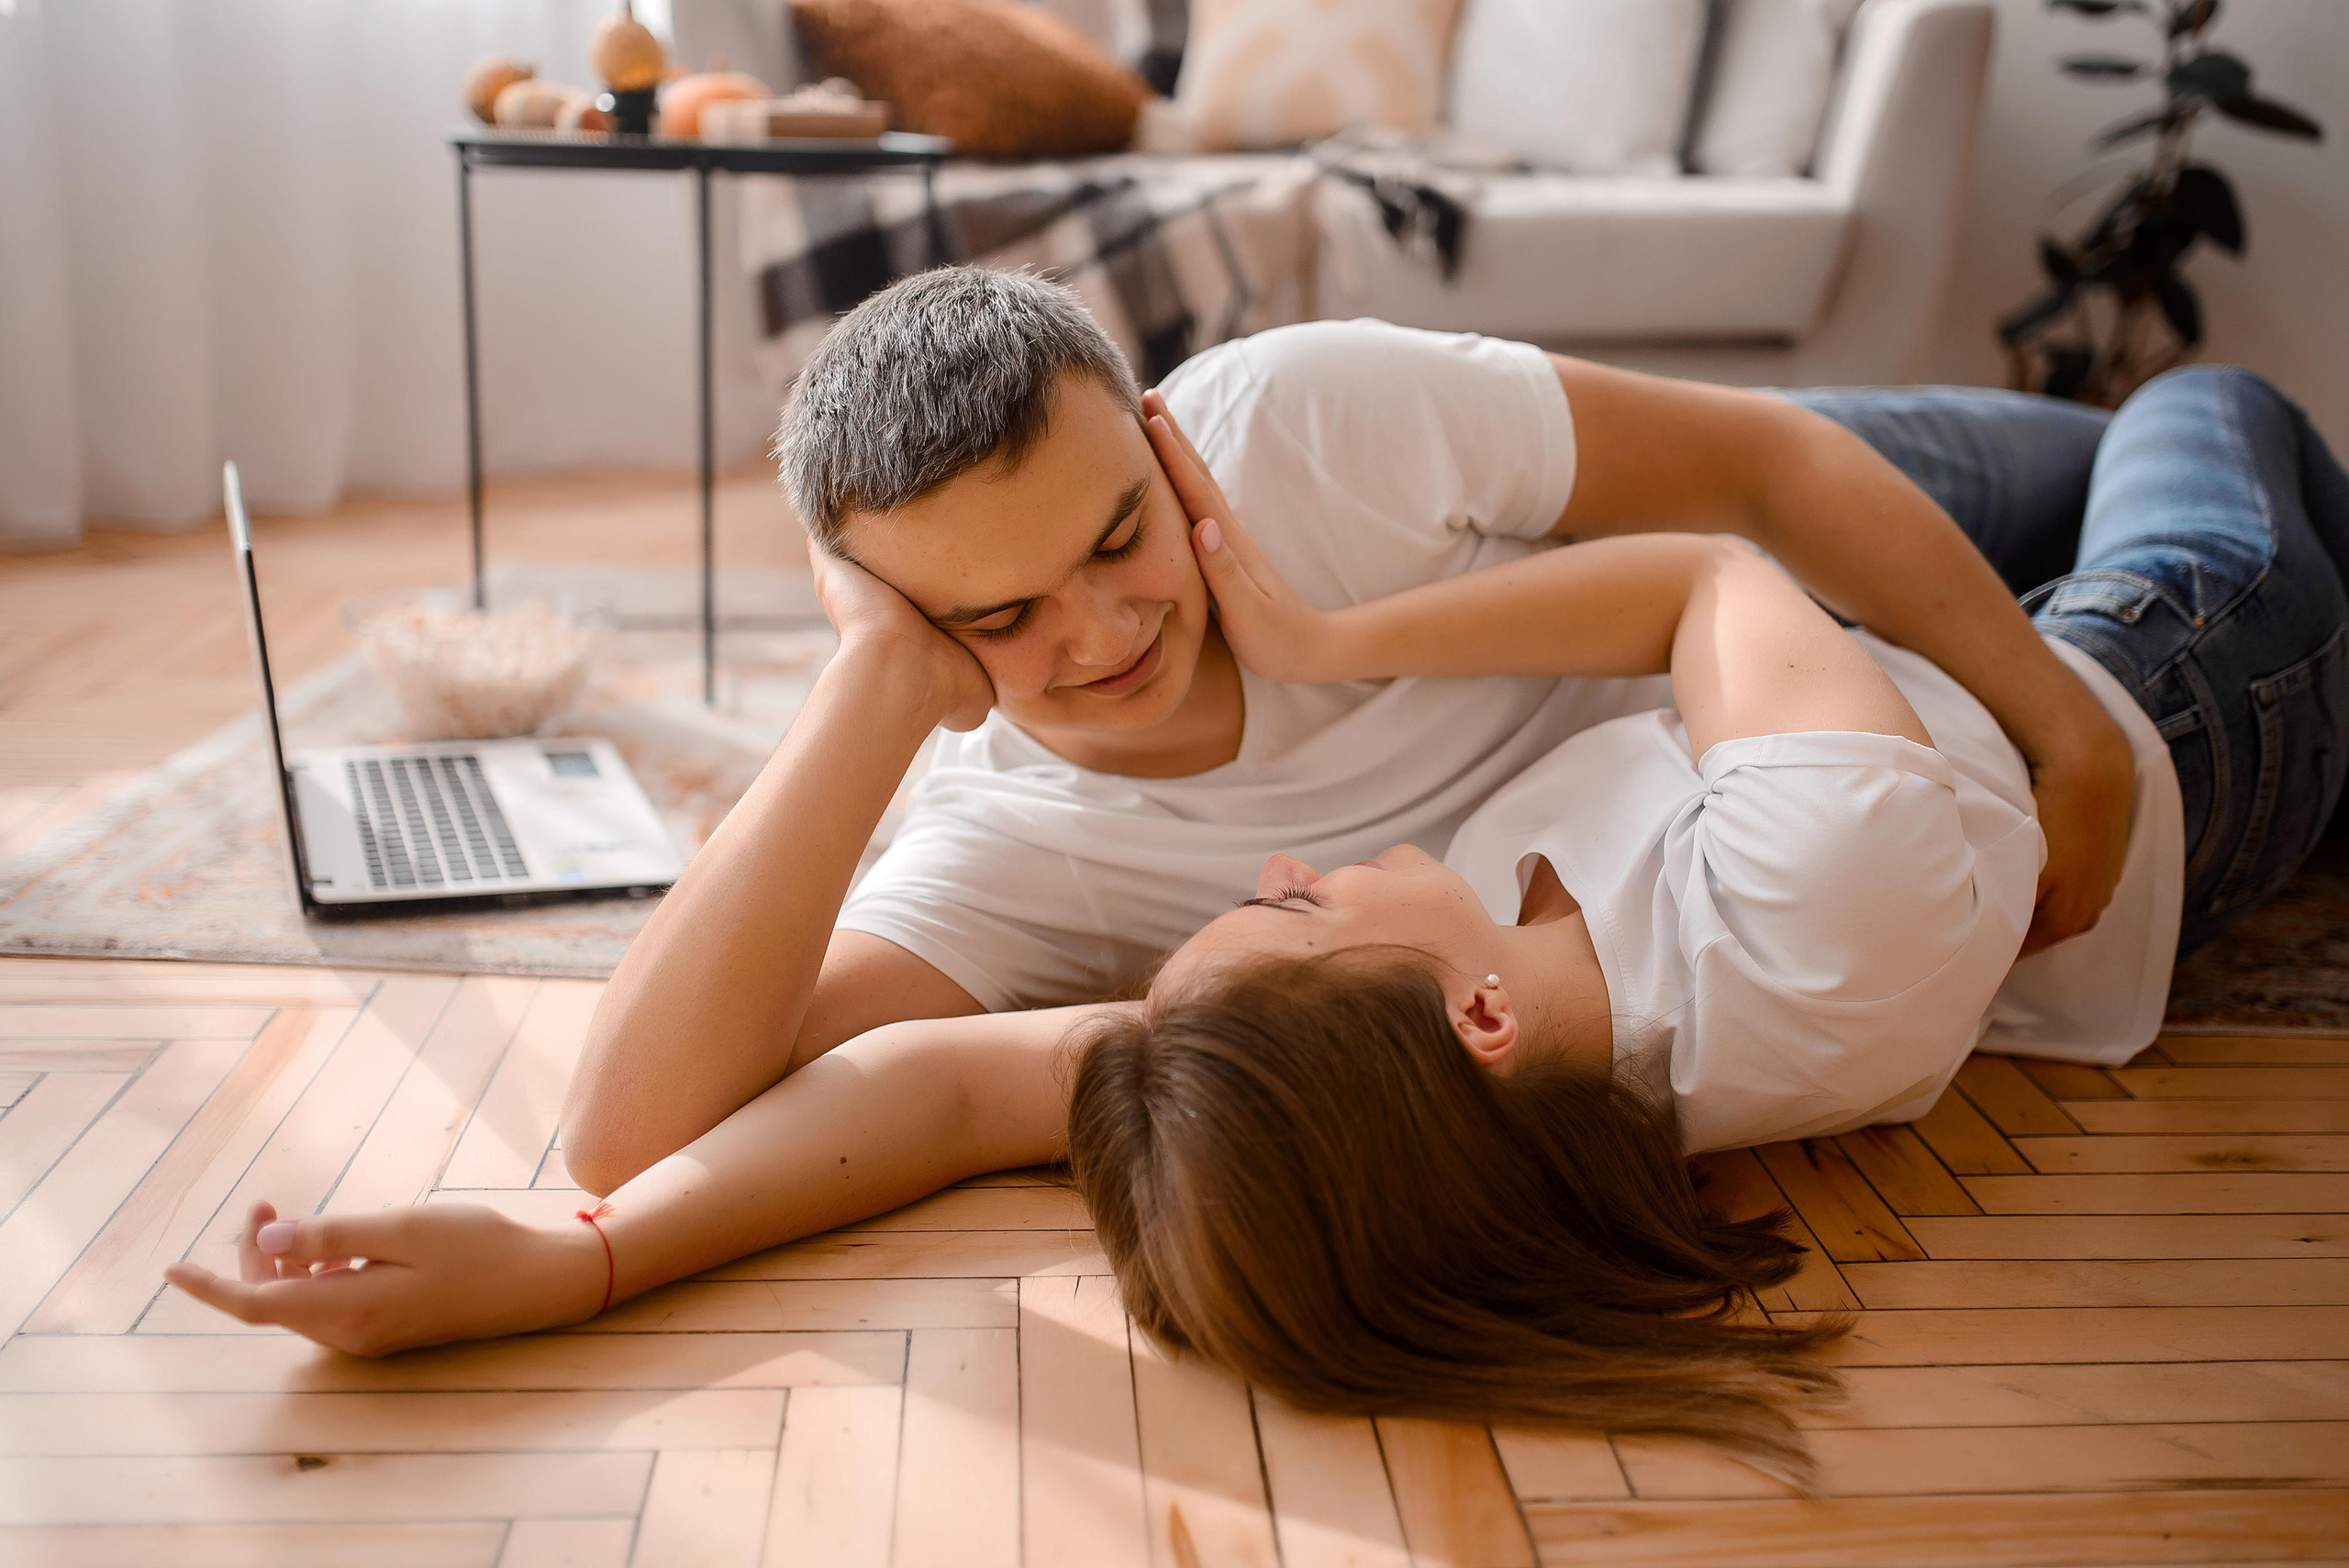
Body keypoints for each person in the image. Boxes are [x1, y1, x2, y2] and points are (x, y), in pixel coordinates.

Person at [161, 272, 2173, 1391]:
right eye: (995, 616)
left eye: (1117, 535)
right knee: (2181, 476)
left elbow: (1746, 470)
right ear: (896, 617)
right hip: (1751, 754)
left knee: (2080, 450)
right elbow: (641, 1127)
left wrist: (2053, 726)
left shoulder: (1295, 426)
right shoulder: (1006, 833)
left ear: (1155, 437)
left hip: (1780, 580)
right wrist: (875, 693)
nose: (1105, 628)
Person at [1064, 360, 2349, 1480]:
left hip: (1910, 697)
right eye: (1289, 906)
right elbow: (1709, 572)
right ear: (1477, 1015)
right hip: (2184, 695)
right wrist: (1320, 644)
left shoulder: (1523, 1030)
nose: (1291, 863)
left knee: (1907, 457)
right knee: (2205, 400)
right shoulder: (1810, 899)